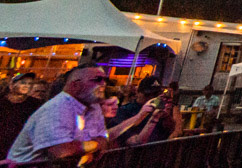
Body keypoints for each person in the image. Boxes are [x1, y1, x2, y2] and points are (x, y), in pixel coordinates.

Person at [6, 64, 161, 162]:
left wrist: (92, 144)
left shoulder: (93, 107)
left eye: (104, 80)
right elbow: (62, 150)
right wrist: (95, 144)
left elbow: (103, 138)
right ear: (75, 86)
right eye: (96, 80)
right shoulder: (57, 108)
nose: (103, 84)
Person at [0, 72, 43, 155]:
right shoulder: (2, 101)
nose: (27, 86)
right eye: (23, 83)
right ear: (12, 85)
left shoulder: (35, 104)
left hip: (21, 147)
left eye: (30, 84)